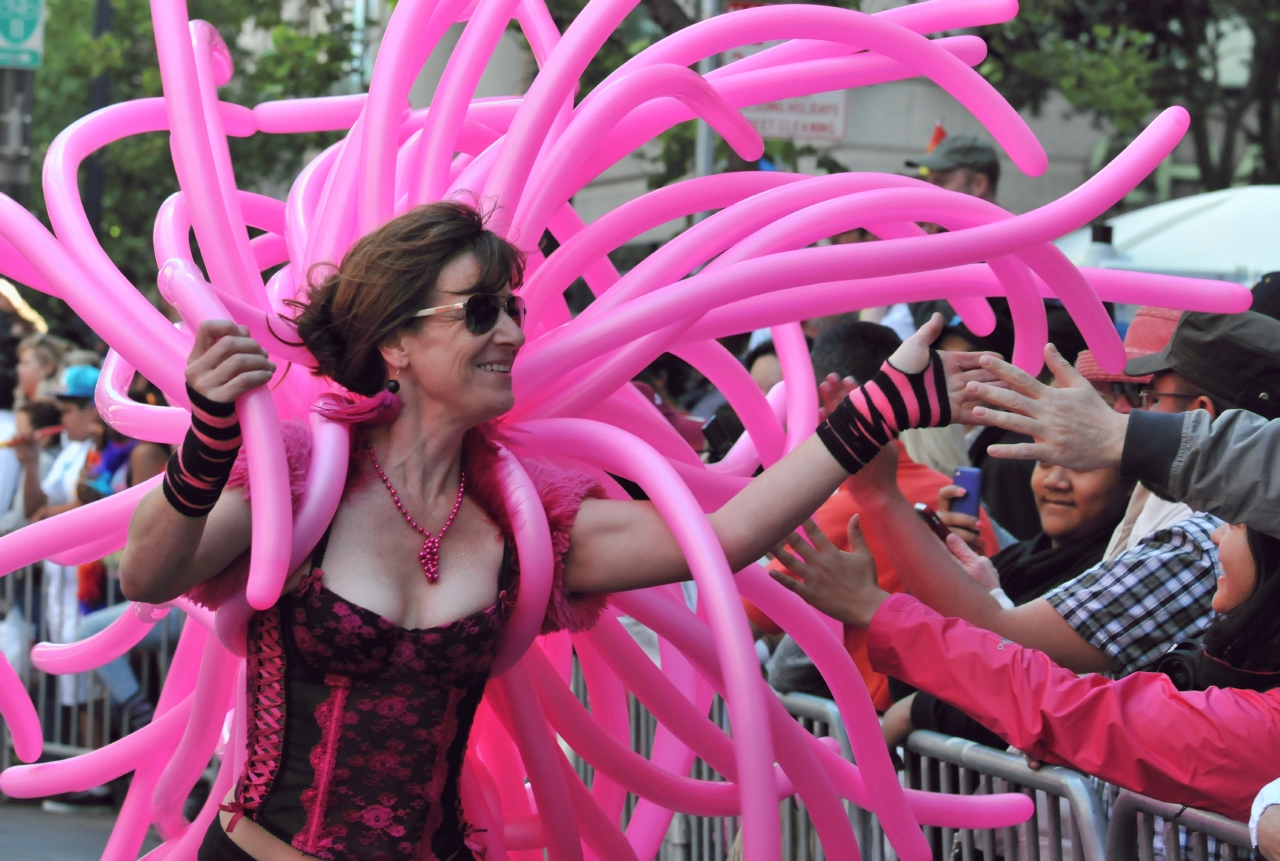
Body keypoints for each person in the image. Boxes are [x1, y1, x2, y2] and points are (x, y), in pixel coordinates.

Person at [117, 202, 998, 861]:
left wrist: (878, 412)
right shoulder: (305, 474)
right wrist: (206, 444)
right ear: (395, 342)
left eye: (511, 308)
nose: (507, 330)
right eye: (477, 310)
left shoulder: (527, 512)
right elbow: (147, 575)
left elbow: (722, 536)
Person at [768, 510, 1280, 824]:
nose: (1212, 539)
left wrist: (876, 611)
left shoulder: (1261, 725)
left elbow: (1066, 707)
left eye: (1232, 523)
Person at [747, 321, 999, 711]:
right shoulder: (954, 497)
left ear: (818, 400)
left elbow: (738, 627)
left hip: (886, 732)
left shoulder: (832, 515)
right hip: (953, 722)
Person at [964, 310, 1280, 538]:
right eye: (1045, 463)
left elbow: (1018, 624)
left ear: (1200, 411)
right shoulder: (1166, 493)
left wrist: (1121, 438)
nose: (1124, 408)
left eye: (1145, 395)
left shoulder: (1199, 533)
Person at [14, 332, 66, 406]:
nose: (18, 368)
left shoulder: (56, 407)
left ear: (47, 367)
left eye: (25, 363)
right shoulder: (22, 400)